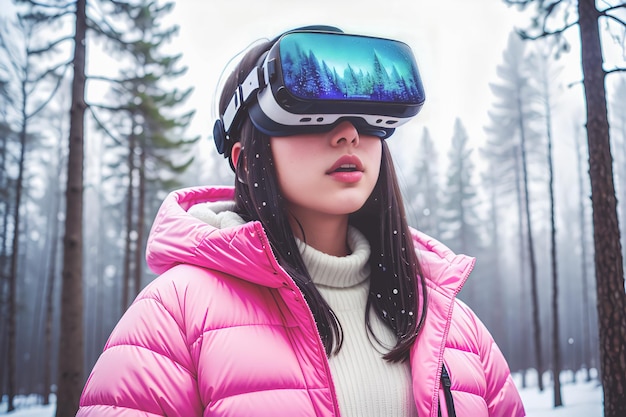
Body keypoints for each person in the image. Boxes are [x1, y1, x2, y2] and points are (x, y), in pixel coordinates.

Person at [76, 26, 525, 417]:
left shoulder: (451, 321)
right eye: (311, 114)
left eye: (367, 118)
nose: (348, 132)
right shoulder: (175, 317)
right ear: (245, 162)